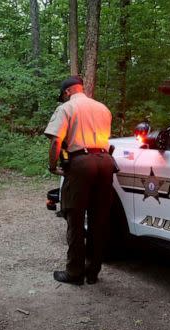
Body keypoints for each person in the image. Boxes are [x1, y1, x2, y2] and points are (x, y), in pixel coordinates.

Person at [44, 76, 115, 285]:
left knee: (75, 217)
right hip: (105, 161)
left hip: (81, 163)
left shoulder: (67, 108)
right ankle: (93, 271)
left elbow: (57, 139)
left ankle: (74, 272)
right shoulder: (103, 108)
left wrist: (52, 165)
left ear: (67, 92)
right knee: (98, 219)